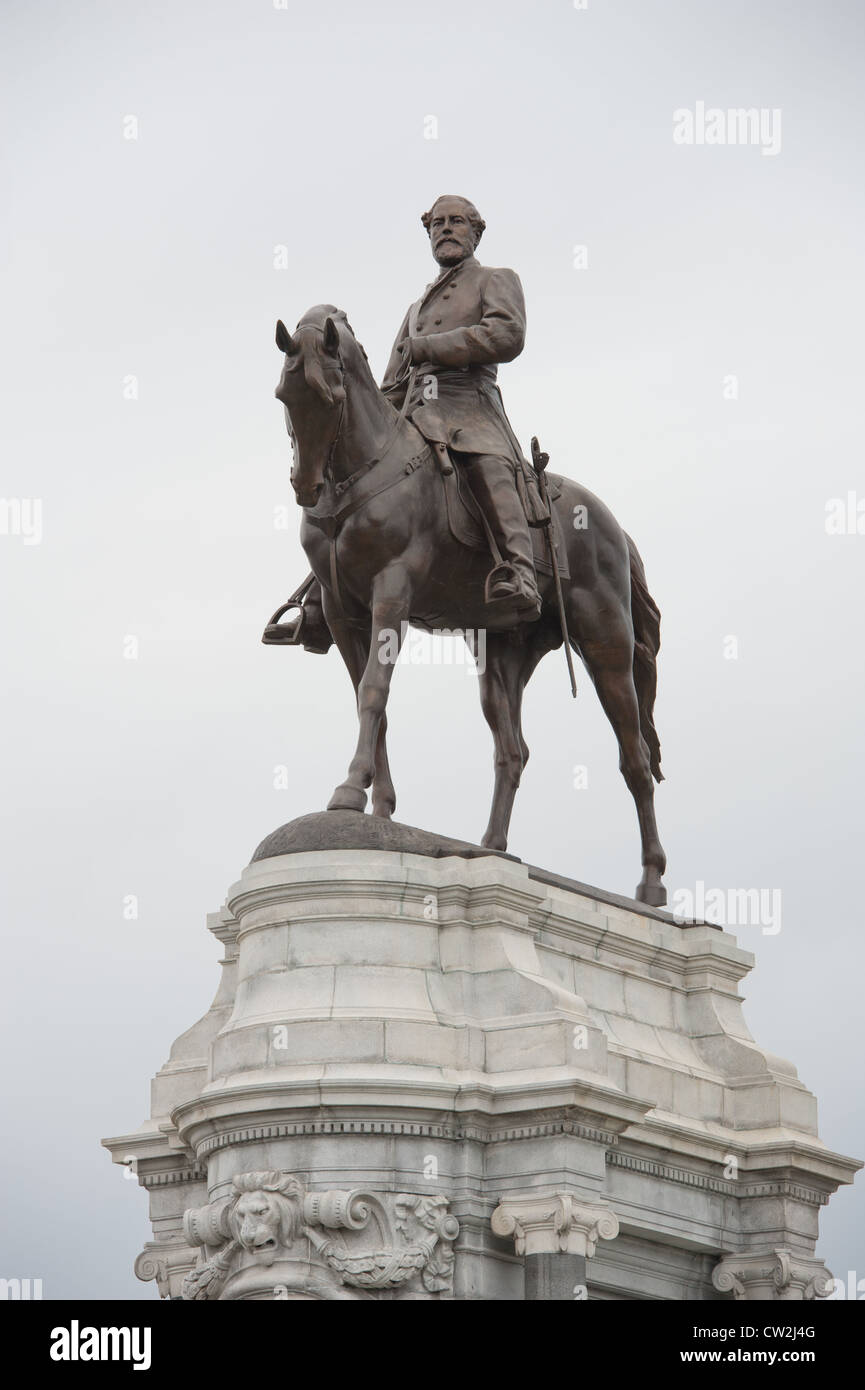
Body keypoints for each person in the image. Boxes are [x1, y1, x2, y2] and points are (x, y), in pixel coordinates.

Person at [264, 194, 541, 651]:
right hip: (415, 412)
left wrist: (431, 348)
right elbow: (391, 382)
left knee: (483, 462)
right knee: (356, 480)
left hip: (469, 406)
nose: (446, 230)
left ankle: (520, 569)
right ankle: (316, 604)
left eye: (456, 222)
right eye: (437, 224)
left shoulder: (497, 279)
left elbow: (507, 335)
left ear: (476, 232)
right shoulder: (414, 310)